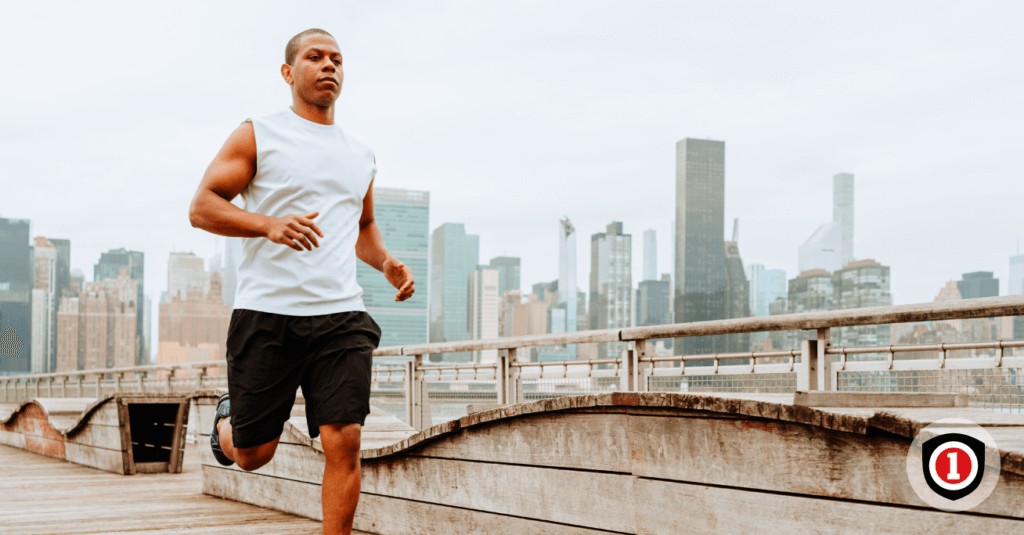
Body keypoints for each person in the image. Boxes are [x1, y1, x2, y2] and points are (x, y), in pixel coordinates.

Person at [188, 28, 414, 535]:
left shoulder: (361, 154)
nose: (328, 65)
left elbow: (362, 229)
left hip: (340, 316)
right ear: (289, 73)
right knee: (252, 454)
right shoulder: (257, 133)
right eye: (314, 57)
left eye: (336, 58)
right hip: (267, 313)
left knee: (345, 438)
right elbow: (202, 207)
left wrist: (386, 263)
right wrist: (268, 223)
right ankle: (228, 425)